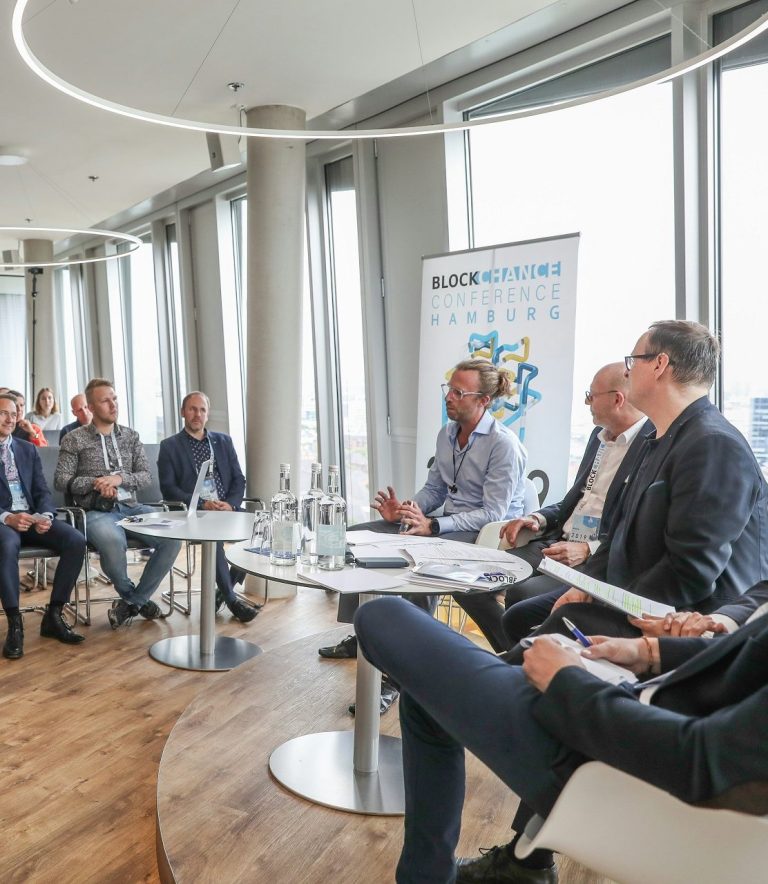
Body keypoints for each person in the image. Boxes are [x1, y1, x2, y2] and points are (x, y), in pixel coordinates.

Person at [354, 595, 768, 884]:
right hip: (631, 716)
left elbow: (702, 761)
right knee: (426, 696)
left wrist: (566, 682)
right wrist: (650, 652)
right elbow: (748, 656)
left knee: (382, 615)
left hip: (612, 763)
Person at [503, 320, 768, 644]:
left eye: (633, 361)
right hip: (635, 594)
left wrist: (606, 599)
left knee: (542, 637)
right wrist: (586, 587)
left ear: (659, 365)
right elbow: (617, 533)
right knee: (520, 618)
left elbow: (690, 573)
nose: (627, 372)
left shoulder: (713, 445)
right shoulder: (657, 437)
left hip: (686, 621)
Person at [319, 358, 527, 672]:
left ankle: (406, 658)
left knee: (423, 557)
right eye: (449, 389)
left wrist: (433, 525)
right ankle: (363, 636)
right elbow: (434, 490)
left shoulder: (503, 445)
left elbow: (492, 512)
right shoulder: (447, 434)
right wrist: (406, 511)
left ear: (484, 401)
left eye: (458, 393)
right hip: (447, 524)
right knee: (358, 536)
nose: (449, 398)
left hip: (485, 534)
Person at [453, 362, 651, 652]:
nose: (587, 402)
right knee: (470, 584)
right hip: (555, 543)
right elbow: (573, 501)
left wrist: (589, 549)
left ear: (617, 400)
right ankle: (513, 656)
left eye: (591, 395)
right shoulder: (598, 440)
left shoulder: (650, 446)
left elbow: (637, 526)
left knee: (521, 595)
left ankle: (520, 660)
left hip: (595, 559)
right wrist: (537, 518)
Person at [54, 378, 181, 628]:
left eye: (114, 399)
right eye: (105, 401)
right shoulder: (74, 439)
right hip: (95, 511)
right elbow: (61, 480)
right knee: (113, 543)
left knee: (173, 539)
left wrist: (119, 479)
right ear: (91, 407)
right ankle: (138, 600)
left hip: (133, 508)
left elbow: (145, 475)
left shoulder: (131, 436)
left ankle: (132, 602)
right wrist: (96, 483)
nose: (113, 405)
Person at [157, 391, 259, 623]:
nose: (197, 414)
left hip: (225, 509)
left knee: (259, 533)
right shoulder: (170, 446)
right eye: (192, 409)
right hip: (196, 513)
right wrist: (203, 504)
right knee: (214, 540)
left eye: (202, 410)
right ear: (183, 412)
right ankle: (232, 601)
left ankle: (222, 593)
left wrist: (230, 504)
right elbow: (168, 489)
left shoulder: (223, 442)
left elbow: (238, 479)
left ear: (207, 414)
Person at [0, 393, 86, 659]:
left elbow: (42, 491)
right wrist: (7, 517)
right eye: (3, 413)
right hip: (4, 522)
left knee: (75, 540)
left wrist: (45, 516)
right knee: (7, 544)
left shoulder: (27, 449)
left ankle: (54, 615)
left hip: (32, 517)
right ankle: (15, 624)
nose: (10, 419)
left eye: (13, 414)